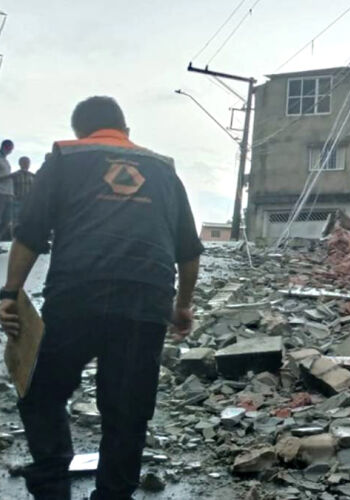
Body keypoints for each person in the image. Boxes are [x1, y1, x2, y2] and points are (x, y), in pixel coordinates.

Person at [0, 96, 204, 500]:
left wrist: (9, 294)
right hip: (145, 302)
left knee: (41, 392)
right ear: (125, 128)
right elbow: (189, 251)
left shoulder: (66, 156)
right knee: (128, 411)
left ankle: (53, 484)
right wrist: (181, 306)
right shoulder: (164, 170)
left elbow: (30, 235)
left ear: (81, 131)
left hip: (76, 295)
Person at [11, 156, 36, 225]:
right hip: (17, 202)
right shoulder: (14, 175)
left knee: (28, 220)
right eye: (24, 162)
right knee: (16, 221)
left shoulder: (33, 176)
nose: (26, 164)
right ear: (20, 164)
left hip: (29, 202)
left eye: (28, 163)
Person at [0, 139, 15, 240]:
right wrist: (10, 176)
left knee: (7, 221)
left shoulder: (5, 160)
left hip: (9, 194)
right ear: (5, 146)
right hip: (1, 193)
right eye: (10, 148)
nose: (11, 151)